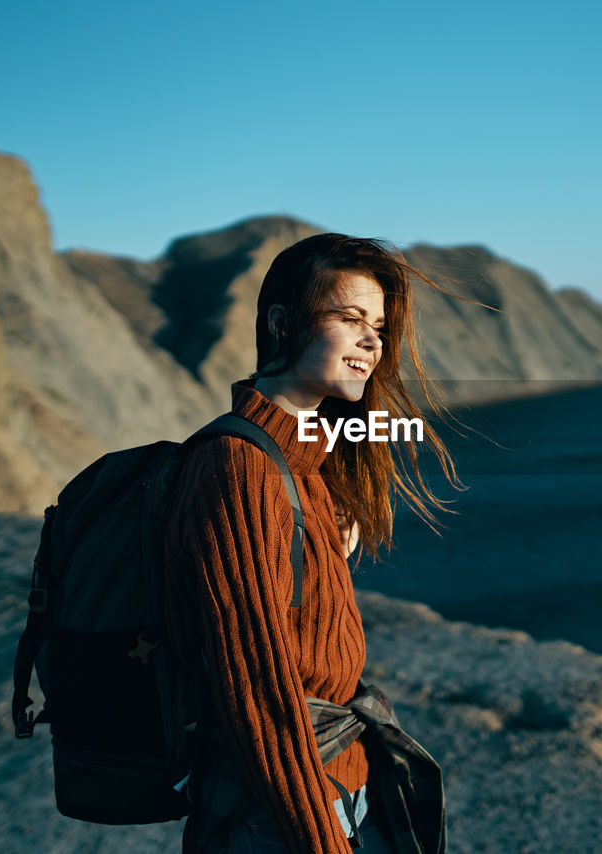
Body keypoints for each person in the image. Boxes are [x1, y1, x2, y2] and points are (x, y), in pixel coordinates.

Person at [163, 233, 461, 854]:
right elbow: (259, 693)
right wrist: (320, 841)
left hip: (338, 789)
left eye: (377, 325)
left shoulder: (301, 464)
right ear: (281, 322)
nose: (372, 341)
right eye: (349, 318)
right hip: (279, 815)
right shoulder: (238, 467)